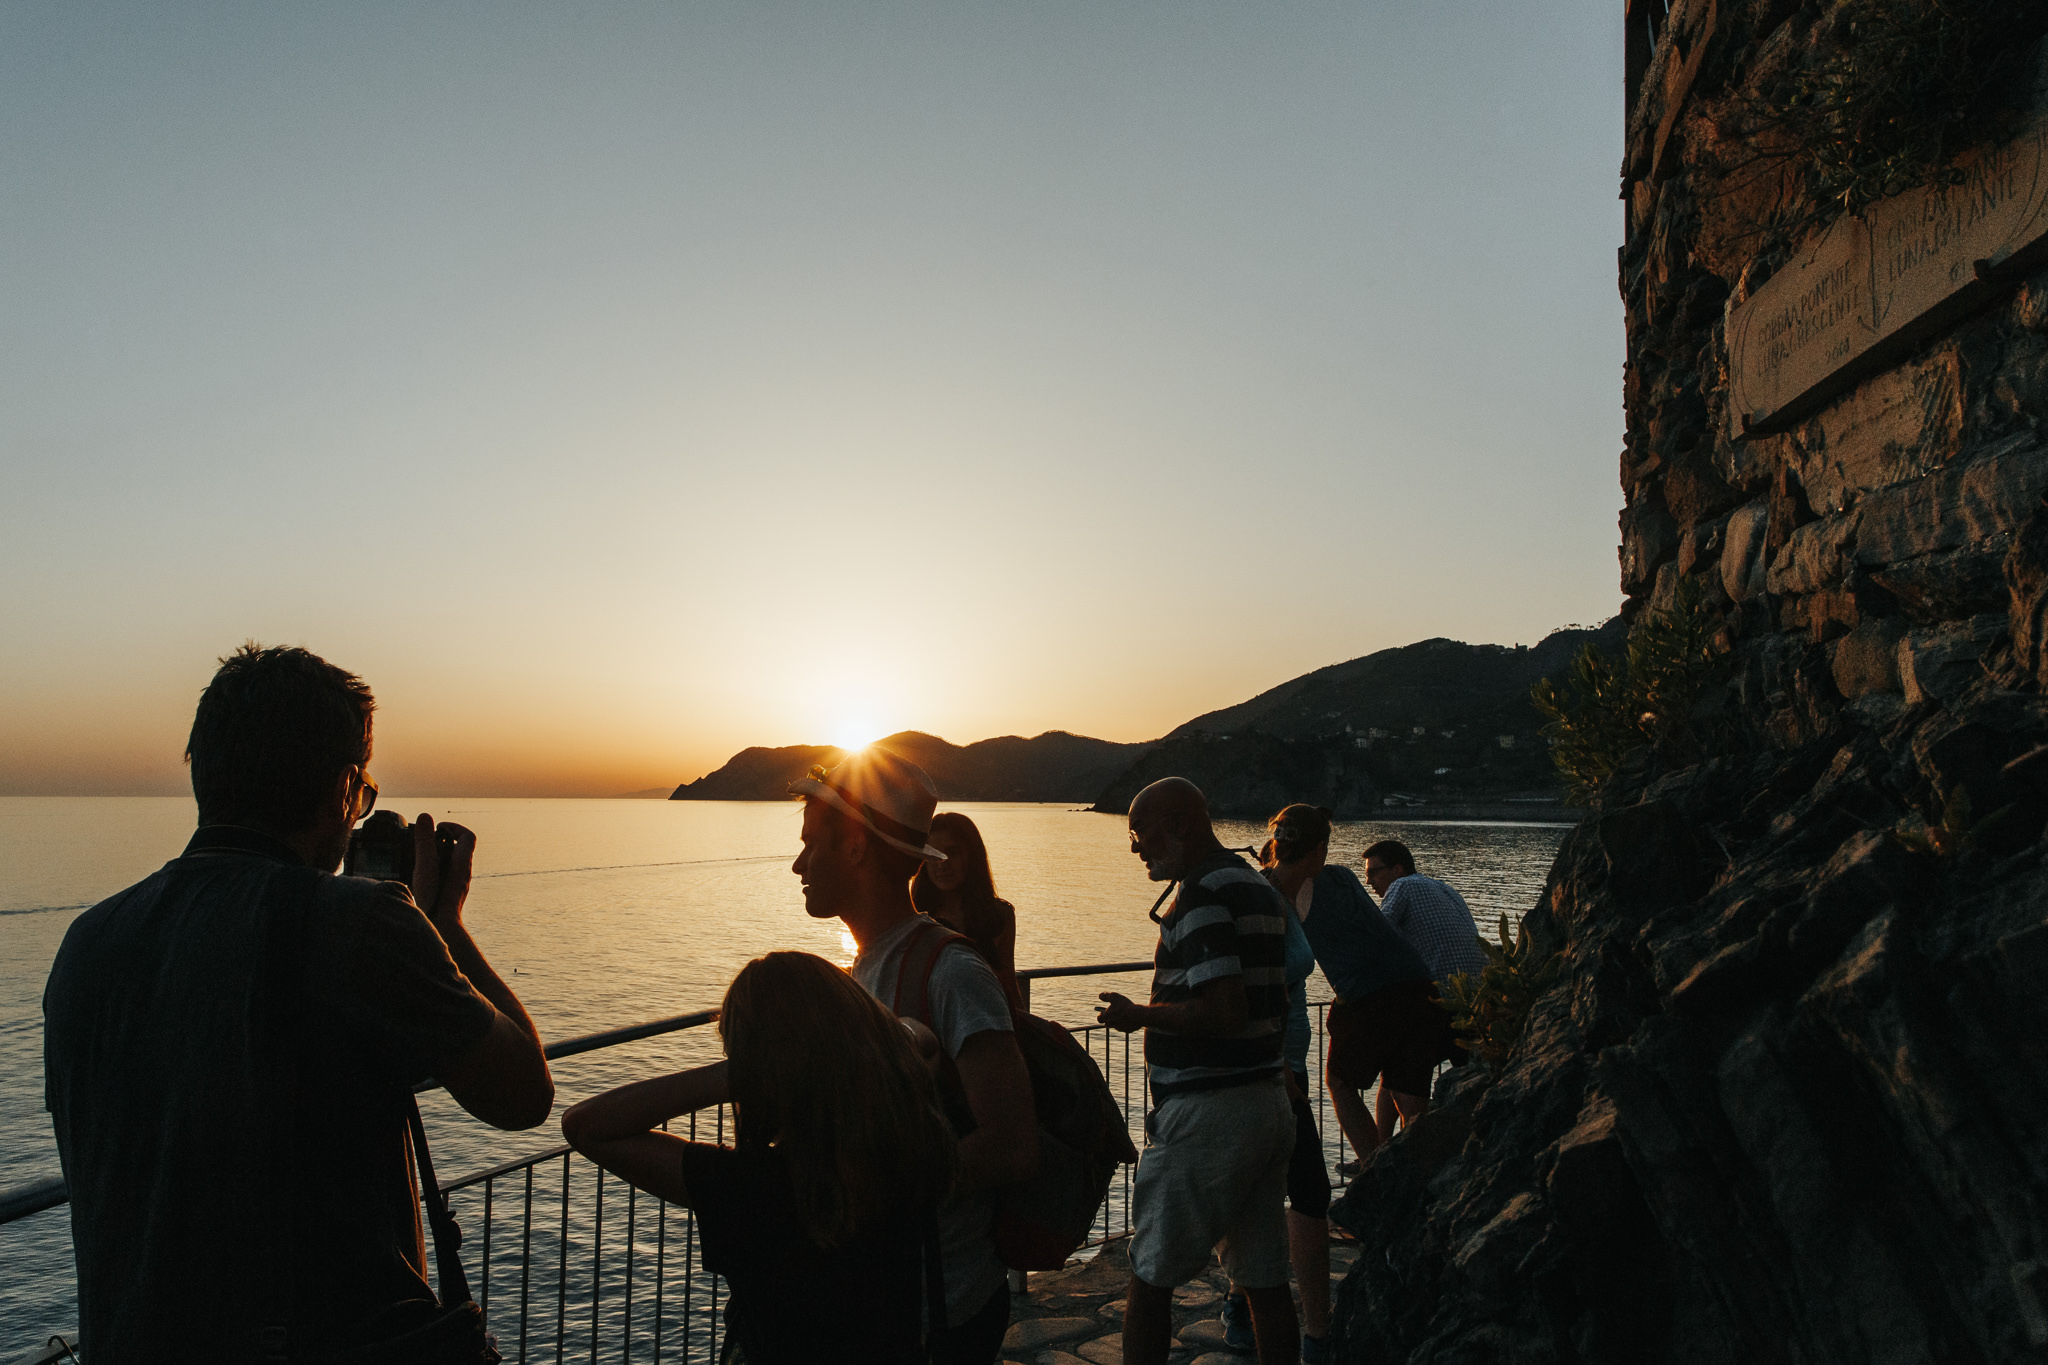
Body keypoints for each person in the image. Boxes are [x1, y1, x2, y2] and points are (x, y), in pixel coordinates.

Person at [43, 644, 553, 1360]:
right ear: (344, 783)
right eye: (363, 789)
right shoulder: (360, 922)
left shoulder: (87, 944)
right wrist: (446, 924)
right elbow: (523, 1090)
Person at [562, 951, 957, 1365]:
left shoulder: (752, 1185)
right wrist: (872, 1041)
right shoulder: (906, 1145)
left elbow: (584, 1125)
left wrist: (738, 1076)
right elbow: (922, 1039)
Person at [791, 746, 1039, 1365]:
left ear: (853, 848)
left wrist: (873, 1189)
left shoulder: (951, 972)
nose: (798, 864)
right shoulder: (860, 972)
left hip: (939, 1311)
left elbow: (1012, 1144)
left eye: (811, 844)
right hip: (888, 1299)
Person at [1096, 778, 1299, 1365]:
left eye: (1142, 833)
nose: (1137, 849)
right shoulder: (1256, 886)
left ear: (1181, 825)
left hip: (1210, 1115)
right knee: (1263, 1278)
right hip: (1265, 1101)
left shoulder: (1202, 892)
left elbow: (1226, 1007)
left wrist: (1141, 1015)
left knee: (1151, 1272)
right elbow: (1275, 998)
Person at [1264, 807, 1449, 1163]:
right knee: (1409, 1092)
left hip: (1368, 993)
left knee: (1339, 1083)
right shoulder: (1343, 877)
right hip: (1419, 984)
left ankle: (1374, 1169)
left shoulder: (1275, 888)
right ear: (1319, 847)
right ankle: (1419, 1179)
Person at [1362, 838, 1484, 1138]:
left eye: (1374, 872)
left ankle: (1397, 1150)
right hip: (1474, 1001)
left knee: (1399, 1074)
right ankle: (1382, 1148)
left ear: (1398, 868)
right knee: (1397, 1072)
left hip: (1438, 1002)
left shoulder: (1402, 887)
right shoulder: (1445, 889)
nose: (1369, 882)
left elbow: (1377, 933)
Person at [911, 811, 1025, 1010]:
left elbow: (1009, 987)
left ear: (972, 856)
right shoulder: (915, 920)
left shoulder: (1000, 916)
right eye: (933, 854)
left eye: (952, 852)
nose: (942, 864)